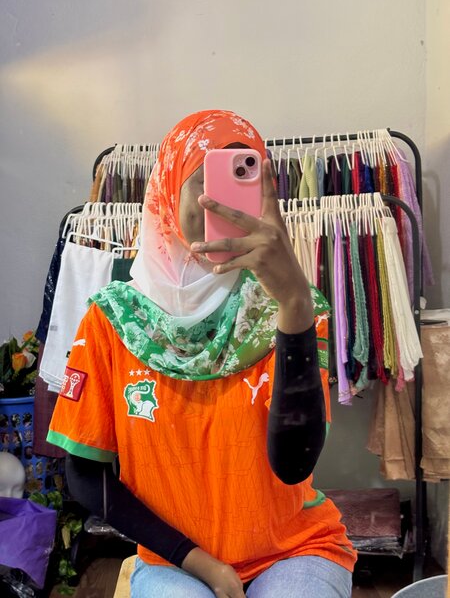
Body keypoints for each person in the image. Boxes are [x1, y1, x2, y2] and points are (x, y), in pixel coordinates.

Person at [47, 110, 356, 597]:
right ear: (170, 190)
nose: (224, 202)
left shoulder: (288, 308)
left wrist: (294, 303)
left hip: (295, 548)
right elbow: (86, 474)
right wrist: (200, 562)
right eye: (206, 180)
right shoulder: (113, 322)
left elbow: (294, 465)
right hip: (175, 559)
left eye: (243, 180)